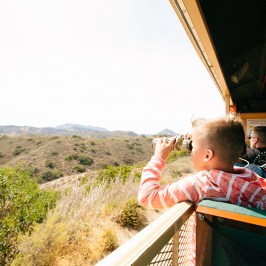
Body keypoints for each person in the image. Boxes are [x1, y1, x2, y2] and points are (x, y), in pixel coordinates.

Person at [138, 116, 266, 264]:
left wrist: (158, 158)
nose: (190, 151)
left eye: (192, 146)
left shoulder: (201, 184)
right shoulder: (252, 178)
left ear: (207, 155)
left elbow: (147, 196)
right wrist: (200, 137)